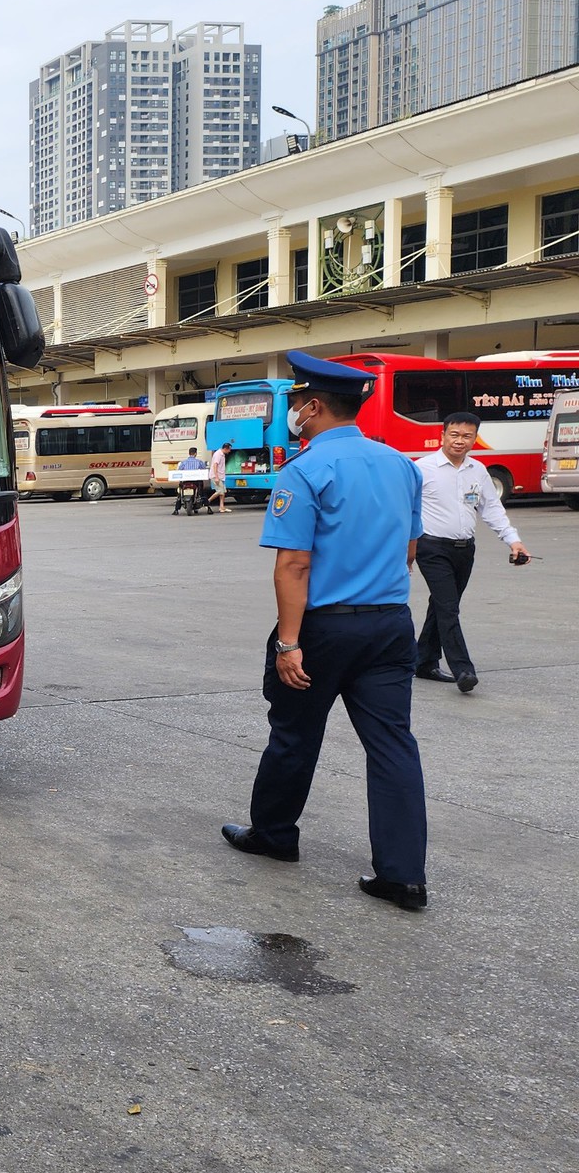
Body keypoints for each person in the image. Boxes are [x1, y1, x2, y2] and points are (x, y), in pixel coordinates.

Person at [221, 351, 431, 912]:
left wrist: (289, 641)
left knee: (294, 734)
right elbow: (410, 551)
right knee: (392, 746)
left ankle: (274, 834)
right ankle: (403, 875)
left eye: (295, 403)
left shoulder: (306, 470)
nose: (293, 412)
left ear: (313, 406)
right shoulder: (400, 464)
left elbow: (293, 565)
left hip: (325, 628)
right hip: (390, 624)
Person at [413, 411, 529, 693]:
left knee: (441, 606)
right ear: (442, 435)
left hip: (464, 550)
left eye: (467, 436)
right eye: (454, 435)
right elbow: (403, 509)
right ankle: (463, 668)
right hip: (431, 547)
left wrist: (513, 541)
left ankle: (423, 662)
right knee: (448, 607)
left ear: (475, 439)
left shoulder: (477, 470)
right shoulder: (421, 468)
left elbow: (491, 509)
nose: (459, 441)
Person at [208, 442, 230, 512]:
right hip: (216, 476)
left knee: (223, 492)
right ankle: (207, 502)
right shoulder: (218, 454)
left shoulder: (222, 454)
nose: (230, 451)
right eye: (229, 449)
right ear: (226, 449)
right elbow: (215, 465)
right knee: (220, 491)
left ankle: (222, 507)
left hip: (221, 476)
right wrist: (216, 477)